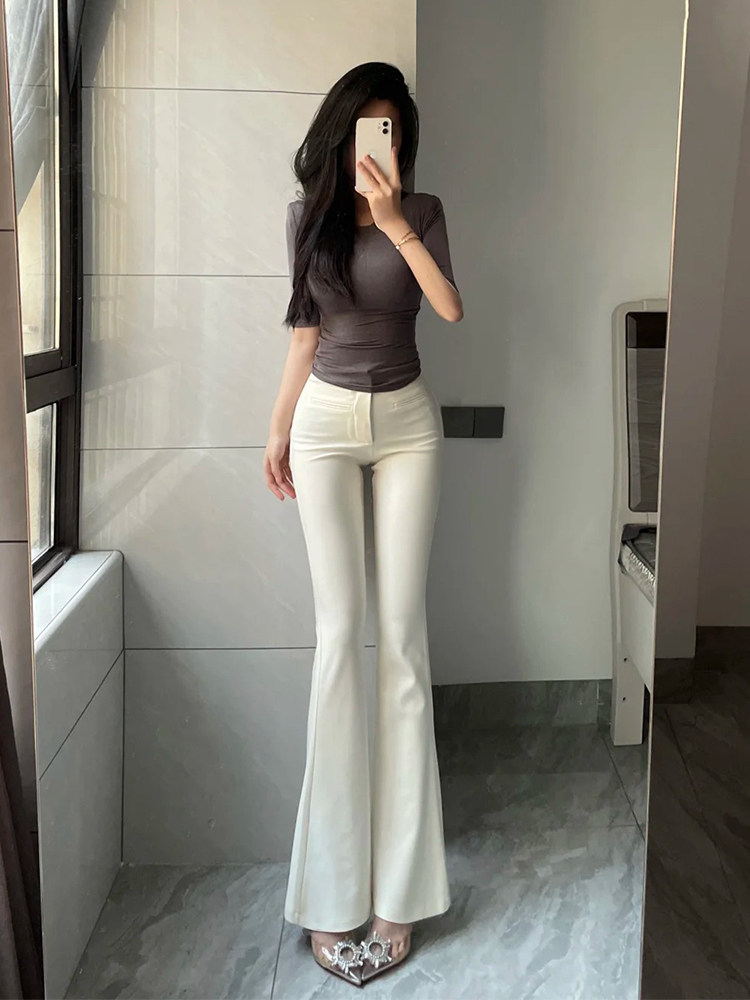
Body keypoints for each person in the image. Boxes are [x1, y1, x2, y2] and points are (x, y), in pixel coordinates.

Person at [264, 60, 463, 987]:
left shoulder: (421, 212)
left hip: (409, 426)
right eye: (361, 129)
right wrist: (276, 428)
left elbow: (449, 307)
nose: (372, 145)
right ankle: (330, 891)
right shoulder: (305, 218)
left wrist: (392, 222)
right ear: (339, 134)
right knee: (341, 641)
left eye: (388, 129)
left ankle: (401, 897)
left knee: (402, 645)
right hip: (324, 428)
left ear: (401, 141)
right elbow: (305, 331)